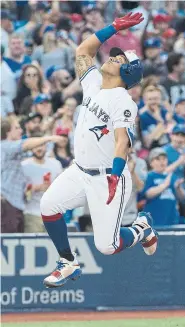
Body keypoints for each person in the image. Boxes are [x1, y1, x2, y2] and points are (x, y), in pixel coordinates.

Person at [40, 12, 158, 289]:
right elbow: (83, 49)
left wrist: (116, 175)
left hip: (107, 176)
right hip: (80, 170)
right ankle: (67, 262)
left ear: (128, 72)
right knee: (48, 206)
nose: (113, 57)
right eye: (115, 56)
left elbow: (122, 142)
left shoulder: (123, 101)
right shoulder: (93, 82)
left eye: (119, 59)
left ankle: (141, 229)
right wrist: (113, 27)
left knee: (107, 246)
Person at [1, 116, 65, 233]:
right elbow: (25, 144)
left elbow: (33, 152)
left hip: (15, 205)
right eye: (17, 128)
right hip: (7, 204)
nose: (21, 130)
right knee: (9, 242)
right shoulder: (5, 146)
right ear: (8, 131)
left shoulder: (13, 151)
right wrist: (49, 138)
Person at [22, 134, 63, 233]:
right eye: (35, 146)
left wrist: (52, 188)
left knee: (54, 246)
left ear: (46, 146)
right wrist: (34, 188)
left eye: (41, 145)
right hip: (31, 213)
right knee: (32, 245)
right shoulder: (24, 166)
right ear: (31, 148)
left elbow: (63, 189)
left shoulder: (56, 164)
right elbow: (18, 193)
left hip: (53, 214)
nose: (39, 149)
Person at [142, 148, 184, 226]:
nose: (162, 161)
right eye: (158, 159)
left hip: (172, 220)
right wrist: (164, 186)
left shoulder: (173, 177)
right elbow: (147, 194)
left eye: (164, 159)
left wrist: (178, 188)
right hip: (155, 221)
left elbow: (182, 199)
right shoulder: (149, 176)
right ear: (151, 162)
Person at [163, 124, 185, 218]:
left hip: (182, 191)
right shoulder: (164, 150)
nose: (179, 138)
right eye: (177, 135)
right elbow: (163, 171)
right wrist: (179, 161)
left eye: (182, 136)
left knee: (183, 220)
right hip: (167, 190)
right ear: (172, 136)